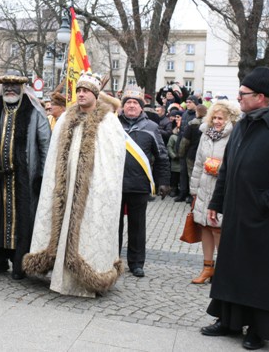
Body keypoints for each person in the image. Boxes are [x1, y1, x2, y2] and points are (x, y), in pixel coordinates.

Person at [201, 67, 269, 350]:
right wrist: (216, 201)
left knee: (262, 272)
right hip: (237, 210)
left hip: (267, 216)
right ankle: (228, 320)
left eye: (243, 95)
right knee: (233, 266)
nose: (239, 100)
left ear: (261, 96)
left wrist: (266, 203)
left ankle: (258, 329)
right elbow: (228, 167)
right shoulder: (244, 123)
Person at [23, 72, 126, 297]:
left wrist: (98, 184)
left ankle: (87, 279)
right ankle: (61, 275)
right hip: (65, 187)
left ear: (96, 95)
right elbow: (54, 156)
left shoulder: (109, 122)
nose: (81, 94)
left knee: (86, 230)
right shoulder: (66, 118)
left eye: (86, 90)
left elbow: (113, 161)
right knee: (62, 225)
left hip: (92, 191)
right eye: (79, 90)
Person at [0, 70, 51, 280]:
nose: (9, 89)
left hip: (24, 179)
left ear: (22, 88)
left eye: (14, 86)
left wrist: (42, 175)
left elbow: (45, 145)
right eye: (5, 85)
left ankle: (20, 261)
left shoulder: (35, 112)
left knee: (23, 219)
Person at [118, 86, 170, 277]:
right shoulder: (113, 125)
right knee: (114, 225)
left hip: (139, 185)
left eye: (135, 103)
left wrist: (163, 181)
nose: (131, 106)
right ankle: (112, 259)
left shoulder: (152, 128)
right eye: (128, 103)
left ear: (141, 108)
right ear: (123, 107)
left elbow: (162, 156)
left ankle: (136, 262)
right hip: (115, 184)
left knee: (137, 226)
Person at [188, 100, 241, 284]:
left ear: (229, 119)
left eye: (221, 118)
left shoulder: (234, 135)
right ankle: (207, 268)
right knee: (204, 227)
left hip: (221, 187)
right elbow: (197, 163)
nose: (217, 121)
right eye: (215, 117)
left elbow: (236, 163)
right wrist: (194, 190)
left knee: (217, 228)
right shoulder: (206, 134)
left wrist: (219, 168)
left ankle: (224, 269)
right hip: (204, 185)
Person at [175, 95, 199, 203]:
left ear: (195, 103)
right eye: (187, 102)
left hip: (192, 149)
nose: (187, 103)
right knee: (183, 172)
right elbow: (181, 132)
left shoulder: (198, 116)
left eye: (190, 102)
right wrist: (178, 146)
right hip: (183, 148)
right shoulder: (184, 114)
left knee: (192, 173)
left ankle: (190, 194)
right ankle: (182, 193)